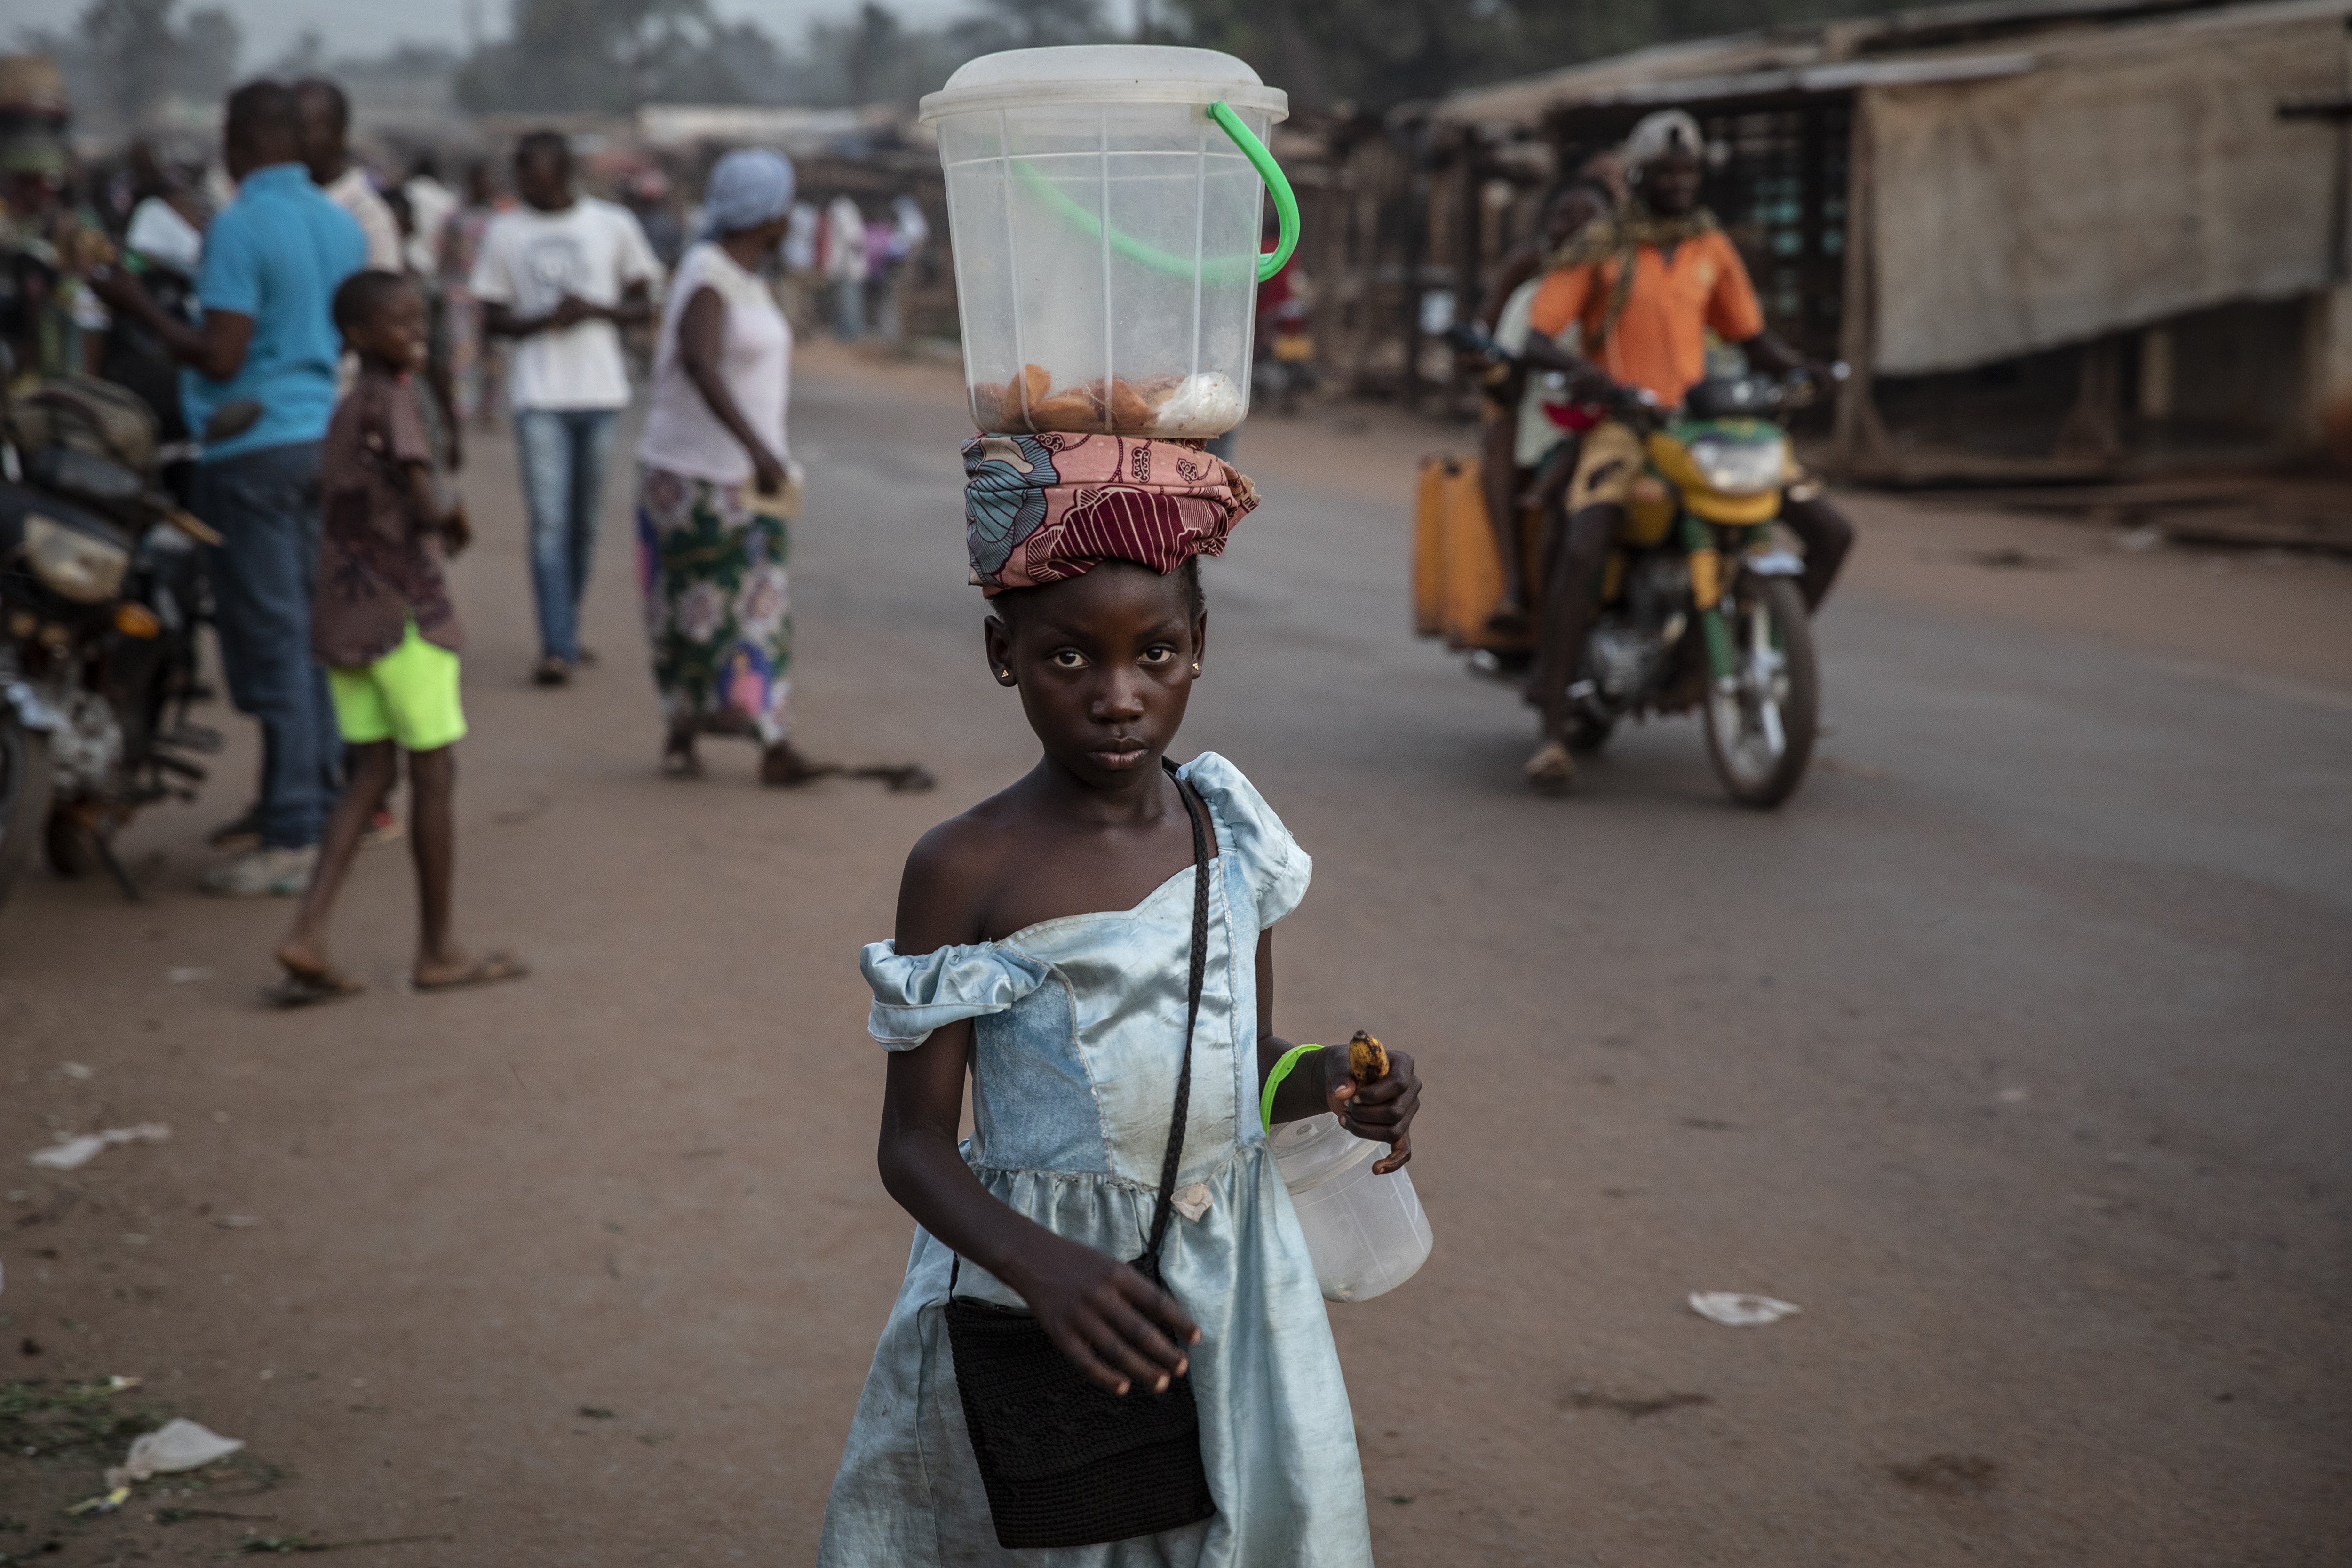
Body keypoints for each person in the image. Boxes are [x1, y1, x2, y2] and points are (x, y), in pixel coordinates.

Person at [817, 429, 1421, 1564]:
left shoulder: (1226, 829)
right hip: (1040, 1289)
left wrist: (1334, 1081)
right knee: (1061, 1531)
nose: (1118, 697)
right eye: (1067, 660)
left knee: (1221, 1523)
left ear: (1200, 647)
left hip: (1232, 1282)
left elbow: (1247, 1065)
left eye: (1156, 654)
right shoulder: (966, 867)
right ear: (1003, 653)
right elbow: (913, 1145)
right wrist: (1041, 1267)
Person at [1517, 109, 1855, 793]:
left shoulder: (1709, 248)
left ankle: (1734, 648)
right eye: (1666, 172)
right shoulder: (1600, 247)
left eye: (1689, 171)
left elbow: (1751, 337)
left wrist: (1799, 369)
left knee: (1832, 532)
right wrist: (1591, 376)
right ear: (1639, 177)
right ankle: (1552, 723)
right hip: (1627, 426)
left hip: (1703, 427)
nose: (1679, 183)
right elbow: (1539, 336)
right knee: (1584, 542)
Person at [86, 80, 366, 893]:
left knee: (273, 642)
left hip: (253, 451)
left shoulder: (243, 226)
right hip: (322, 438)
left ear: (241, 142)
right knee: (311, 642)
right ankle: (311, 809)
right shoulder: (337, 222)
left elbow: (221, 355)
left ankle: (291, 835)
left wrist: (136, 304)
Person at [271, 269, 522, 1003]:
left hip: (347, 616)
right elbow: (424, 496)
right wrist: (454, 517)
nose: (416, 333)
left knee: (371, 774)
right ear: (358, 335)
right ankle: (438, 948)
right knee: (434, 774)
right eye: (401, 324)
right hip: (405, 618)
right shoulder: (398, 400)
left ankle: (308, 930)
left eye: (421, 321)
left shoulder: (349, 406)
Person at [633, 149, 817, 785]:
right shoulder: (706, 273)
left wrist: (764, 458)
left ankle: (773, 739)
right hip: (691, 476)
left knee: (764, 605)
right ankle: (683, 728)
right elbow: (700, 362)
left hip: (753, 481)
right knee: (694, 611)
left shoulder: (750, 276)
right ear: (770, 215)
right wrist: (759, 450)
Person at [470, 130, 662, 686]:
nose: (525, 183)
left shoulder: (612, 226)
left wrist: (594, 311)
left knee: (583, 526)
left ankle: (568, 626)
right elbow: (492, 317)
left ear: (564, 173)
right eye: (520, 172)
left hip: (599, 394)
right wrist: (544, 321)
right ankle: (555, 645)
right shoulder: (505, 231)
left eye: (535, 172)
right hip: (539, 397)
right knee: (549, 523)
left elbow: (641, 304)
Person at [1470, 176, 1612, 626]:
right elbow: (1507, 375)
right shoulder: (1533, 296)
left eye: (1590, 217)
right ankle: (1523, 593)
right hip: (1550, 421)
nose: (1577, 228)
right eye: (1564, 217)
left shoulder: (1633, 288)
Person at [293, 79, 401, 274]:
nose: (295, 141)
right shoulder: (275, 204)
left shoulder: (368, 217)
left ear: (340, 133)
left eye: (306, 130)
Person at [437, 160, 504, 429]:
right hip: (462, 293)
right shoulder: (455, 217)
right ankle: (463, 407)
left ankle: (491, 409)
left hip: (494, 295)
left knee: (494, 353)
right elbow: (444, 254)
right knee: (463, 352)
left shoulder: (501, 219)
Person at [821, 191, 865, 340]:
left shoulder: (842, 210)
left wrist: (835, 267)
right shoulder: (849, 213)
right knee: (846, 301)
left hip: (849, 269)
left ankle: (850, 334)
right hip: (847, 268)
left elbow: (849, 239)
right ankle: (846, 333)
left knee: (850, 302)